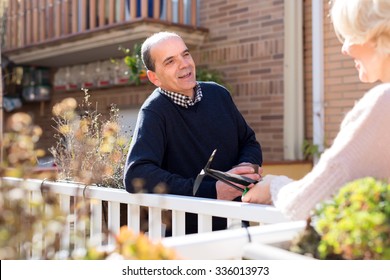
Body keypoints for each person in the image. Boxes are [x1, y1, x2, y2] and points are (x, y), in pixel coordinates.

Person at [242, 0, 390, 221]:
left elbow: (306, 204)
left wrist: (274, 186)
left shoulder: (383, 105)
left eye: (349, 35)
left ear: (378, 36)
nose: (344, 48)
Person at [124, 31, 262, 234]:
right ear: (154, 77)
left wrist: (246, 168)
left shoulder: (219, 94)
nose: (184, 64)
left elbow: (249, 142)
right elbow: (136, 174)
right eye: (170, 61)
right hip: (188, 234)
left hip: (237, 222)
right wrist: (212, 190)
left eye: (185, 54)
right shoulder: (154, 111)